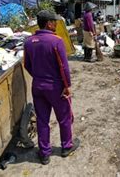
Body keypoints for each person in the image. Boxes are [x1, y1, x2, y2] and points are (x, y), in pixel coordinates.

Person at [24, 10, 80, 165]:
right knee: (64, 118)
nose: (56, 24)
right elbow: (64, 67)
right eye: (54, 21)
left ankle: (44, 153)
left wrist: (38, 76)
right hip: (55, 86)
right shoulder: (56, 41)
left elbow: (27, 65)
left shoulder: (29, 42)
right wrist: (67, 85)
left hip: (38, 86)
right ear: (49, 23)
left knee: (42, 120)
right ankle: (66, 147)